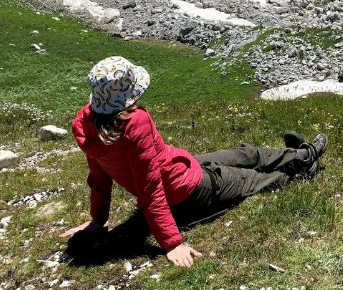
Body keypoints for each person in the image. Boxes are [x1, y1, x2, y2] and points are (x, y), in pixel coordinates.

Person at [60, 56, 327, 267]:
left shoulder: (86, 122)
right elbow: (149, 187)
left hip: (183, 167)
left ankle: (301, 154)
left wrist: (98, 220)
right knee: (254, 180)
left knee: (243, 154)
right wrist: (172, 243)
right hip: (189, 190)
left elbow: (99, 177)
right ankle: (304, 170)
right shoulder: (135, 122)